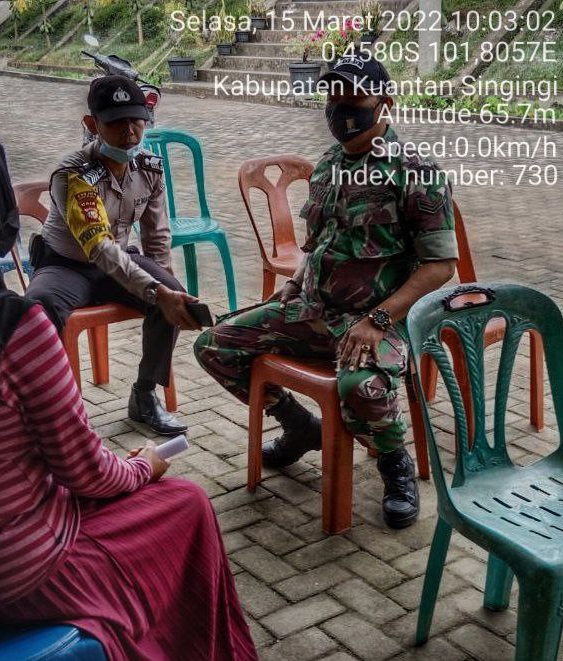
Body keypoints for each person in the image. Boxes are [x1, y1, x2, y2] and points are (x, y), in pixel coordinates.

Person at [0, 129, 258, 661]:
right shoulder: (12, 326)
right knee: (186, 503)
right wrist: (144, 464)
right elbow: (85, 471)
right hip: (9, 577)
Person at [194, 55, 459, 529]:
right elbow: (317, 249)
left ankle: (392, 462)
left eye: (353, 98)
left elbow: (440, 266)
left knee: (362, 388)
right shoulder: (327, 168)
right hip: (314, 308)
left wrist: (377, 320)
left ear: (384, 103)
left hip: (381, 321)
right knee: (215, 345)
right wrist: (290, 290)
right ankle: (299, 426)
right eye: (333, 98)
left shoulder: (415, 171)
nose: (340, 109)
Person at [25, 75, 200, 436]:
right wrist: (155, 289)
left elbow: (156, 235)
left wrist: (163, 284)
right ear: (92, 124)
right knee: (39, 310)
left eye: (136, 120)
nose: (130, 132)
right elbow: (98, 246)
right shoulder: (73, 174)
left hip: (117, 262)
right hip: (67, 265)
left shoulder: (149, 168)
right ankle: (50, 412)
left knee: (173, 296)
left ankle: (144, 395)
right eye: (116, 122)